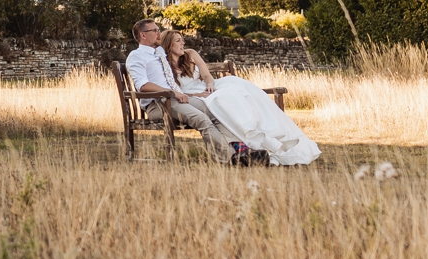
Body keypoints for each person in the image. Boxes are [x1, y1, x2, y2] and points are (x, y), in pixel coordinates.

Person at [160, 30, 321, 166]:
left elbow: (207, 75)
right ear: (169, 44)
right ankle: (245, 145)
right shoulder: (163, 64)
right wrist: (194, 94)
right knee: (220, 101)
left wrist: (209, 85)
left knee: (233, 91)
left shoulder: (191, 54)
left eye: (183, 40)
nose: (183, 44)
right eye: (178, 41)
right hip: (191, 96)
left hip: (207, 88)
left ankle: (257, 133)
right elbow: (174, 91)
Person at [123, 18, 234, 164]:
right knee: (201, 119)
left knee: (216, 112)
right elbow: (142, 85)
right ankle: (233, 157)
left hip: (175, 98)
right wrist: (173, 93)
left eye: (158, 30)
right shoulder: (137, 56)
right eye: (155, 30)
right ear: (143, 35)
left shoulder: (160, 52)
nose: (159, 33)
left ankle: (237, 149)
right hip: (159, 103)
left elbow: (178, 49)